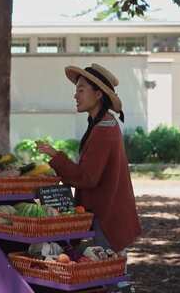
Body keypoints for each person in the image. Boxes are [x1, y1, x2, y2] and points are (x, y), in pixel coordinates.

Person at [37, 63, 141, 276]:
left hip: (107, 219)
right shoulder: (102, 124)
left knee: (107, 279)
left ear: (98, 94)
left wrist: (56, 157)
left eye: (81, 90)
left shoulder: (104, 130)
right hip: (108, 215)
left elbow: (88, 177)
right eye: (76, 90)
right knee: (108, 278)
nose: (76, 95)